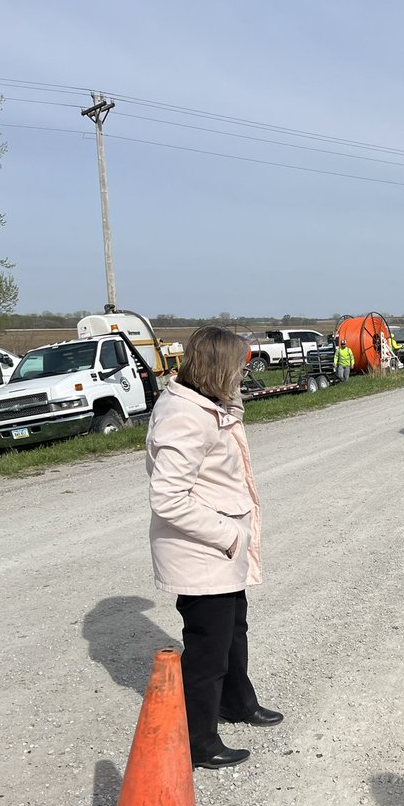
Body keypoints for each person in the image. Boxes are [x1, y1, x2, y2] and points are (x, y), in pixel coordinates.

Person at [146, 325, 283, 770]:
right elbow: (168, 497)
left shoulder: (208, 403)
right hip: (203, 549)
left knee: (233, 629)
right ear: (219, 368)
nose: (244, 374)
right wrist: (226, 535)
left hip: (221, 551)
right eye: (239, 368)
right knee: (207, 648)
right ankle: (199, 740)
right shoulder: (183, 415)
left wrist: (231, 397)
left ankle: (237, 702)